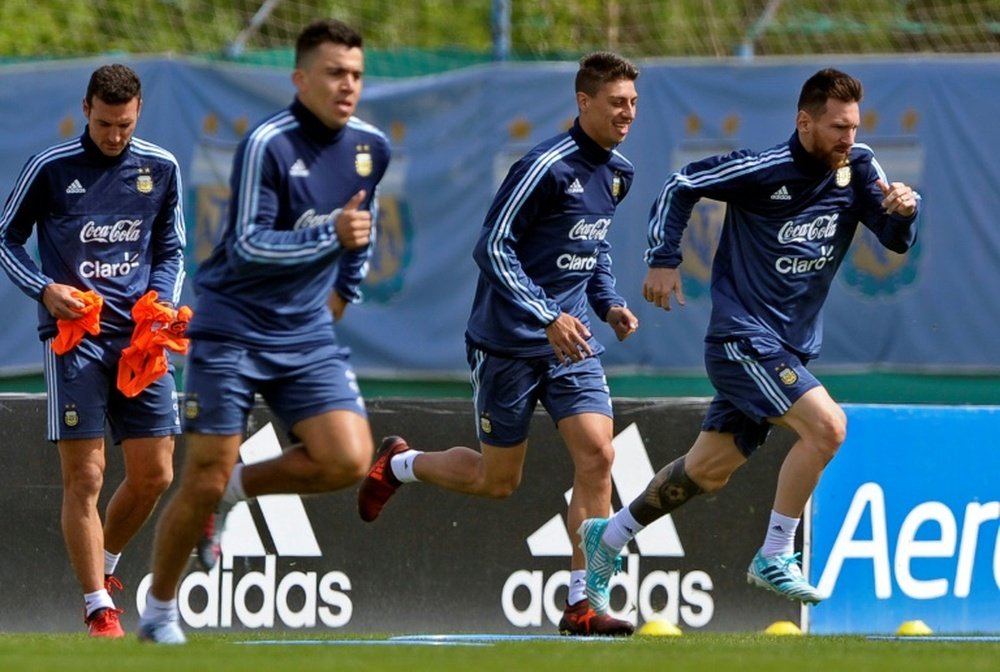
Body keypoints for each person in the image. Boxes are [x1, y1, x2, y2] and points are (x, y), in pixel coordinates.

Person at [579, 68, 920, 615]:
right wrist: (664, 260)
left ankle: (610, 536)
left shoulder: (858, 167)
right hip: (743, 341)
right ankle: (775, 553)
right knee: (829, 427)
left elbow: (893, 238)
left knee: (708, 470)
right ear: (803, 121)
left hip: (787, 349)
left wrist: (904, 212)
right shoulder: (766, 169)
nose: (848, 138)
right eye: (837, 127)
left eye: (854, 127)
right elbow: (680, 184)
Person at [356, 52, 640, 637]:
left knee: (599, 455)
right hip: (509, 342)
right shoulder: (544, 167)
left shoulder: (619, 173)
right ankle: (400, 464)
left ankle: (583, 602)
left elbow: (594, 247)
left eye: (633, 103)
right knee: (498, 480)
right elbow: (492, 248)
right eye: (616, 103)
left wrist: (608, 302)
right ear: (584, 102)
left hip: (572, 344)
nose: (627, 113)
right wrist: (544, 315)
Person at [136, 19, 390, 644]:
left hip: (304, 333)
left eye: (355, 74)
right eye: (334, 73)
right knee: (200, 475)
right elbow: (247, 244)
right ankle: (159, 615)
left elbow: (364, 225)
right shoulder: (268, 143)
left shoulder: (370, 146)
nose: (347, 85)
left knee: (349, 458)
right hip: (232, 329)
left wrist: (344, 287)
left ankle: (236, 491)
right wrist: (327, 235)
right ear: (300, 78)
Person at [0, 64, 186, 638]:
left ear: (138, 113)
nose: (114, 136)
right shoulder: (51, 169)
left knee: (155, 473)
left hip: (140, 341)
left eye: (125, 125)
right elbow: (4, 237)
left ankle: (105, 567)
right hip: (75, 338)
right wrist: (44, 289)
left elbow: (172, 248)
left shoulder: (161, 166)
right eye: (105, 123)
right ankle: (98, 608)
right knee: (86, 476)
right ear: (86, 109)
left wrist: (161, 302)